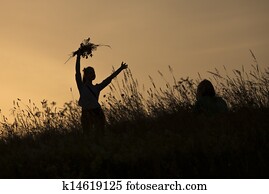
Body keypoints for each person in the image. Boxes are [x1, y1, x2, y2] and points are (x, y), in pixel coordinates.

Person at [75, 49, 128, 137]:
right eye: (90, 72)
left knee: (100, 133)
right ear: (86, 75)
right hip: (86, 112)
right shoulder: (82, 86)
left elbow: (109, 79)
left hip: (97, 112)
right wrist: (78, 57)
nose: (93, 74)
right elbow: (77, 72)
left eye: (93, 72)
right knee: (86, 134)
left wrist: (120, 69)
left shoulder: (97, 88)